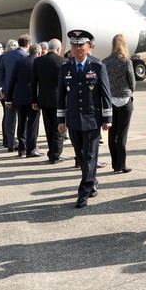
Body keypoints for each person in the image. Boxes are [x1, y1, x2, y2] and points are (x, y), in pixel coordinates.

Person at [57, 29, 112, 209]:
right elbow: (61, 97)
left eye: (81, 45)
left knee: (90, 155)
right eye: (74, 45)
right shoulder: (65, 68)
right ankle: (92, 180)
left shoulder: (97, 66)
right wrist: (61, 120)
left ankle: (84, 191)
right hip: (73, 119)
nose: (77, 48)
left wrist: (107, 117)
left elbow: (105, 94)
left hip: (92, 118)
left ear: (89, 47)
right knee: (80, 156)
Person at [103, 34, 135, 174]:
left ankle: (114, 164)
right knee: (122, 135)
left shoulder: (105, 62)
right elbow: (132, 81)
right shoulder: (126, 62)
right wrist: (128, 91)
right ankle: (121, 164)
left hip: (110, 100)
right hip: (124, 99)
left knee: (112, 134)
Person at [31, 38, 66, 164]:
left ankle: (52, 151)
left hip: (44, 99)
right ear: (58, 49)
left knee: (49, 127)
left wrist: (34, 99)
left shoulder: (38, 61)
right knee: (59, 127)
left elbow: (34, 82)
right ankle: (55, 154)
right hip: (59, 99)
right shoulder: (63, 61)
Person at [7, 43, 43, 158]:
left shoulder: (19, 63)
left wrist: (8, 99)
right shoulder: (38, 63)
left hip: (20, 97)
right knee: (32, 124)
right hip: (34, 98)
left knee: (21, 123)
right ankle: (31, 149)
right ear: (39, 52)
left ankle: (21, 149)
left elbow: (12, 81)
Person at [0, 36, 29, 151]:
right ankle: (23, 143)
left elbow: (0, 74)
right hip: (22, 93)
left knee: (9, 119)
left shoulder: (5, 56)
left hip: (7, 92)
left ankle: (10, 143)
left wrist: (1, 88)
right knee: (23, 119)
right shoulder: (26, 56)